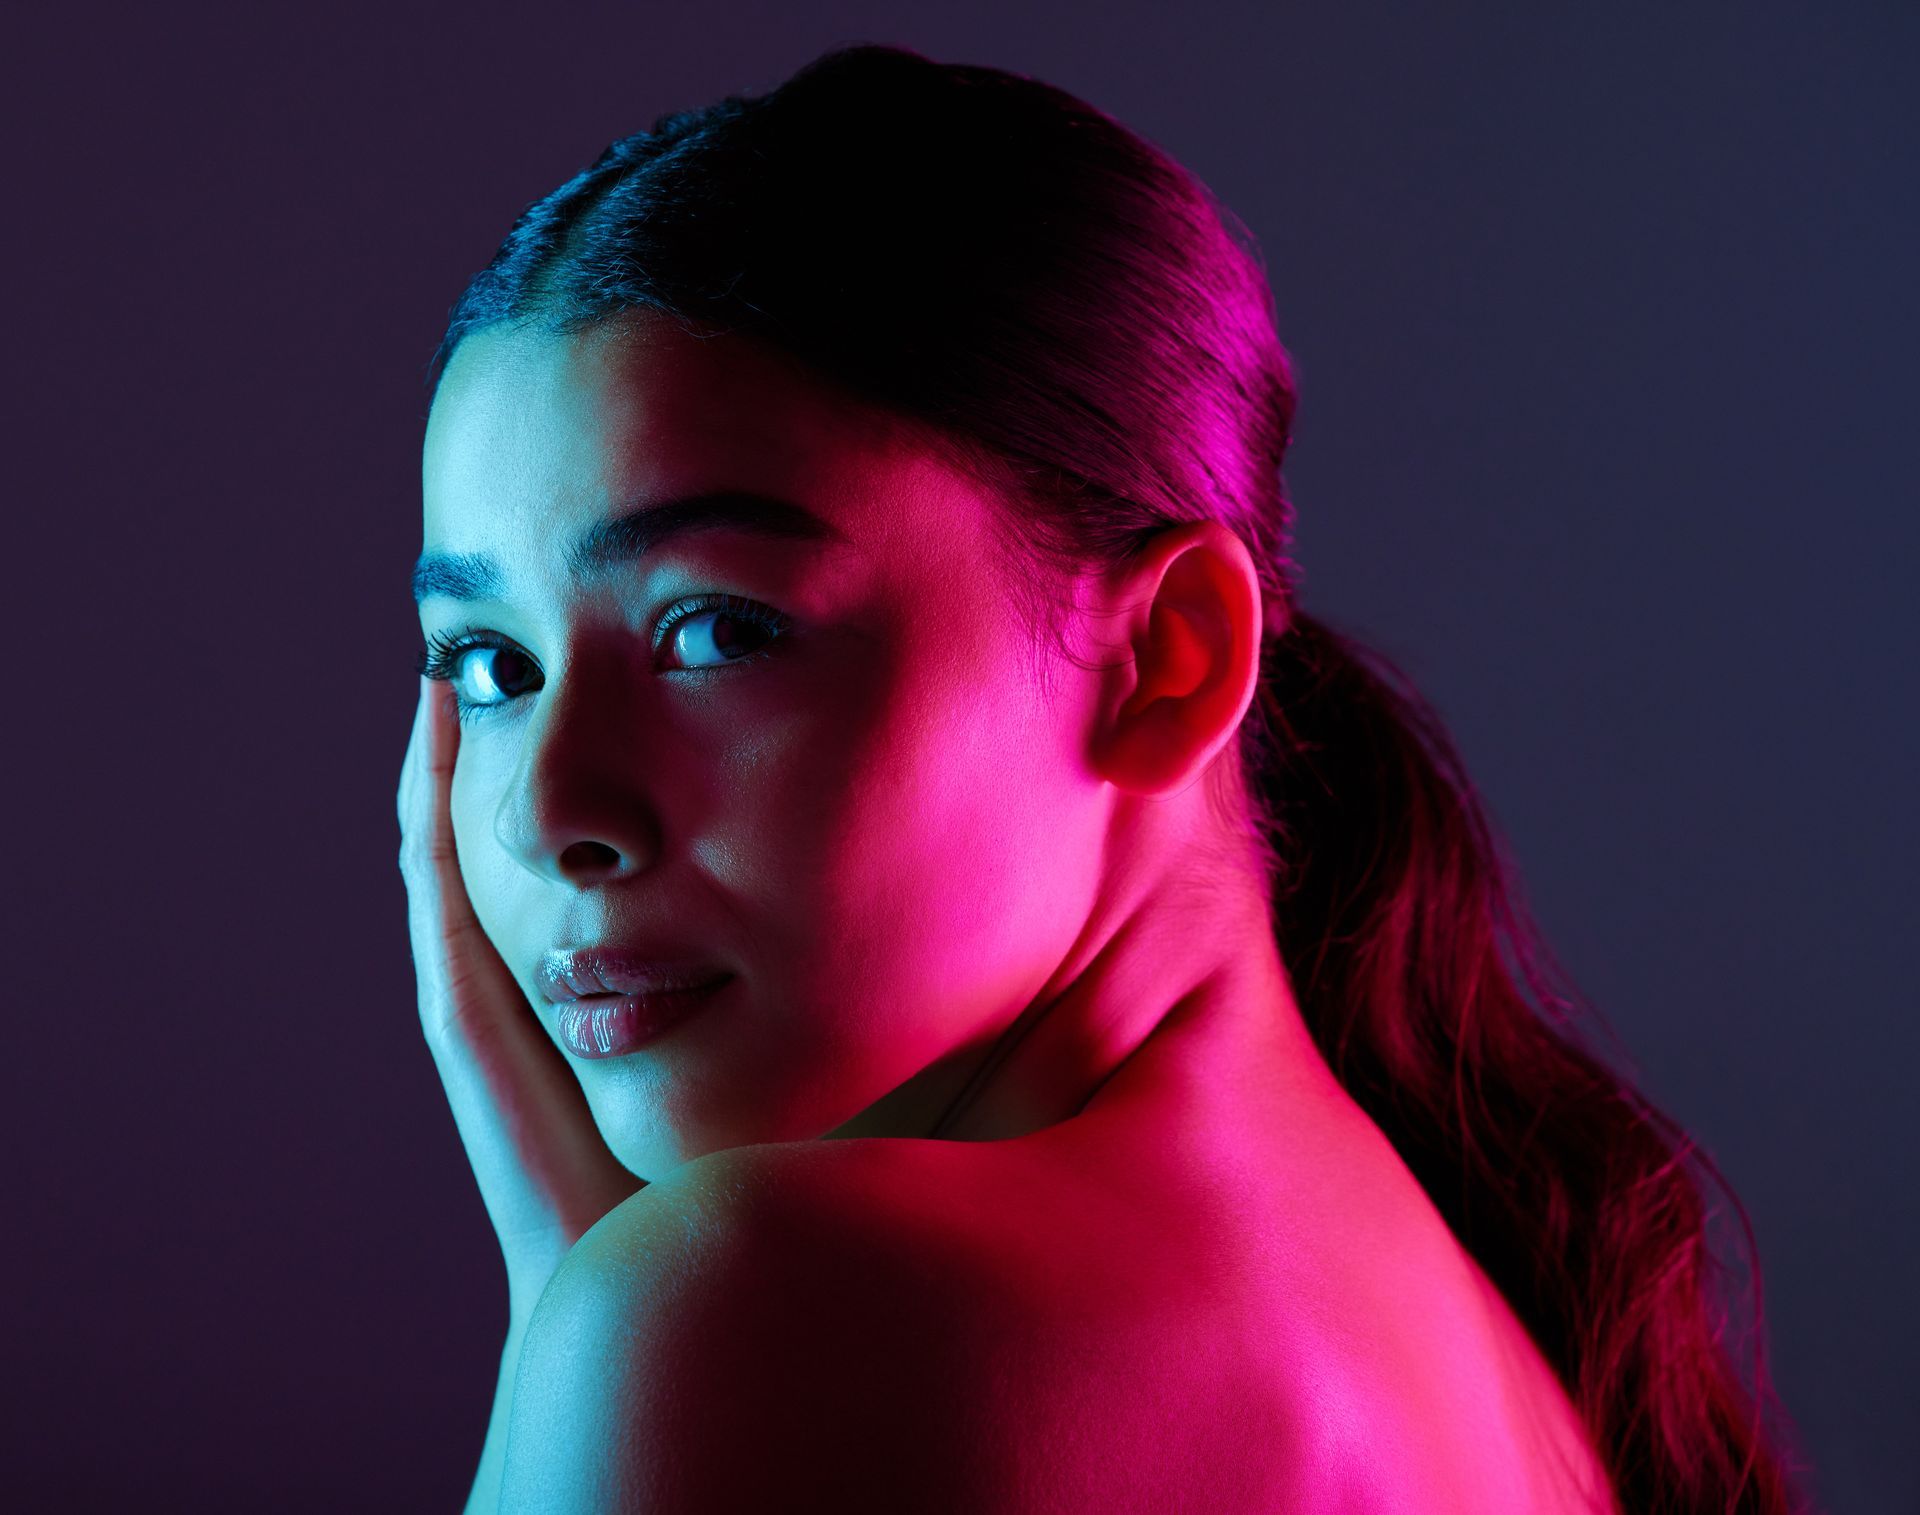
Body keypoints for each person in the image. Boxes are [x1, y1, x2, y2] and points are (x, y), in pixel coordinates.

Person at [396, 43, 1809, 1514]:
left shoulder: (763, 1309)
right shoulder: (1480, 1337)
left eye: (716, 630)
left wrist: (588, 1324)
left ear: (1170, 663)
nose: (549, 813)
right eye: (487, 665)